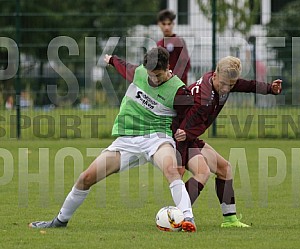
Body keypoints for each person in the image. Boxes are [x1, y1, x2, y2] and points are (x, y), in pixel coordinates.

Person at [29, 47, 197, 232]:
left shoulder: (180, 92)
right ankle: (59, 221)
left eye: (158, 75)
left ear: (168, 68)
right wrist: (111, 60)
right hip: (127, 140)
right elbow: (125, 67)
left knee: (171, 170)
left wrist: (182, 141)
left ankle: (188, 218)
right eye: (151, 75)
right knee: (86, 178)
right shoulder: (140, 72)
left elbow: (189, 120)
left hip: (157, 138)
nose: (154, 80)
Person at [172, 56, 282, 227]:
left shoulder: (223, 80)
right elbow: (181, 132)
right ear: (215, 75)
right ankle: (176, 215)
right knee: (203, 173)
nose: (226, 89)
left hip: (189, 136)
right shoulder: (204, 99)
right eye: (223, 84)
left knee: (224, 168)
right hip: (178, 137)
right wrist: (179, 162)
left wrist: (270, 89)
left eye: (230, 85)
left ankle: (230, 220)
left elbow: (247, 85)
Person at [157, 9, 190, 85]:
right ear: (159, 24)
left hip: (177, 83)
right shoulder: (159, 43)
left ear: (173, 24)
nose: (166, 27)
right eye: (164, 24)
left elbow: (185, 63)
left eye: (169, 24)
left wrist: (175, 79)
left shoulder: (178, 41)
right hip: (164, 84)